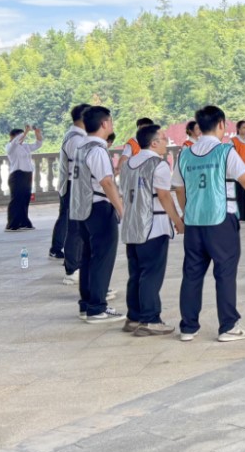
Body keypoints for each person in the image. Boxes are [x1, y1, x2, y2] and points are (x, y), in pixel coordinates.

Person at [174, 106, 245, 343]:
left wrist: (187, 212)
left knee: (192, 274)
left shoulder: (184, 154)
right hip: (221, 220)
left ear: (199, 126)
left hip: (194, 222)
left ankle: (188, 327)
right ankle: (228, 325)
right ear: (221, 124)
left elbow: (178, 187)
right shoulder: (225, 151)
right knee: (225, 273)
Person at [119, 122, 183, 337]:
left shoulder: (128, 164)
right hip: (153, 226)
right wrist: (177, 220)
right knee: (151, 274)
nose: (167, 141)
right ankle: (150, 319)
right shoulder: (159, 164)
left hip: (131, 225)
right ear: (154, 143)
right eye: (164, 138)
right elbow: (164, 196)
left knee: (136, 273)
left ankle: (134, 317)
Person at [65, 106, 126, 324]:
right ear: (104, 124)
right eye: (111, 121)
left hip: (82, 207)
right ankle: (97, 308)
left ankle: (86, 304)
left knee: (88, 257)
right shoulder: (98, 150)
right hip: (99, 207)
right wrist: (121, 209)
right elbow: (107, 182)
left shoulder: (81, 146)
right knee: (102, 257)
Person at [52, 103, 87, 265]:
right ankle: (72, 262)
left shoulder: (74, 136)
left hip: (71, 183)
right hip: (73, 184)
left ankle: (63, 252)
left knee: (69, 220)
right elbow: (81, 165)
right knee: (74, 225)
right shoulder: (75, 139)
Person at [4, 126, 38, 231]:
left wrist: (37, 133)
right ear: (13, 137)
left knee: (25, 199)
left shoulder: (25, 146)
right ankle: (12, 224)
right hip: (17, 175)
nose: (23, 138)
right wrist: (26, 131)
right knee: (16, 200)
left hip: (27, 175)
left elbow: (38, 144)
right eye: (20, 136)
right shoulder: (10, 147)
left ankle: (24, 222)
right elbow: (16, 142)